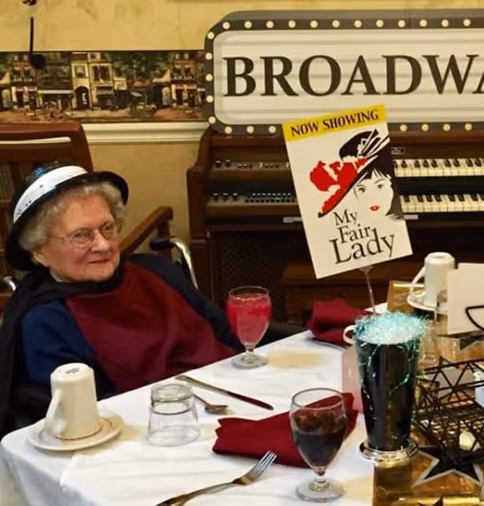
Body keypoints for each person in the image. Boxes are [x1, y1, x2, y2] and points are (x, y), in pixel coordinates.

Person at [0, 162, 300, 433]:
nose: (103, 245)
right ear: (39, 251)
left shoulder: (158, 271)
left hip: (243, 403)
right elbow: (94, 418)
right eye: (81, 235)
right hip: (164, 434)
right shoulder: (46, 320)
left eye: (107, 228)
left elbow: (227, 335)